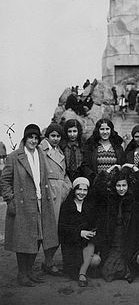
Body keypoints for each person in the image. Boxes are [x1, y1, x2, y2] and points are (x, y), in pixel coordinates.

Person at [0, 124, 58, 286]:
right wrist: (10, 199)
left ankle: (30, 270)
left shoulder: (40, 154)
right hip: (23, 204)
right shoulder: (14, 157)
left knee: (40, 237)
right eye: (30, 138)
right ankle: (22, 273)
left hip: (41, 202)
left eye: (36, 138)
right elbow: (4, 181)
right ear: (24, 139)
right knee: (23, 239)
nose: (33, 141)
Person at [93, 165, 139, 282]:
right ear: (114, 186)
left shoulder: (133, 198)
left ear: (128, 186)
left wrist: (132, 167)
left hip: (128, 237)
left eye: (124, 185)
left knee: (127, 265)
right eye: (118, 185)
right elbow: (97, 186)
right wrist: (110, 170)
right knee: (107, 272)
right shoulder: (110, 197)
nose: (121, 189)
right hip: (113, 238)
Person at [40, 123, 72, 275]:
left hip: (60, 193)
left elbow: (64, 173)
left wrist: (67, 187)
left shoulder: (59, 151)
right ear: (47, 136)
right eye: (53, 135)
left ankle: (49, 261)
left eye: (58, 136)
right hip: (47, 194)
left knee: (56, 229)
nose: (56, 139)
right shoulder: (40, 150)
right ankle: (45, 262)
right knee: (47, 230)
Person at [58, 177, 101, 287]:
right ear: (74, 190)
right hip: (71, 246)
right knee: (77, 267)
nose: (82, 193)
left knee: (96, 260)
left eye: (85, 190)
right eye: (79, 189)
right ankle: (82, 270)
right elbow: (62, 229)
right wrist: (79, 233)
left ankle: (82, 274)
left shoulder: (89, 205)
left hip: (86, 245)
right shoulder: (67, 206)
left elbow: (94, 224)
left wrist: (93, 232)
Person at [79, 118, 124, 184]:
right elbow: (85, 166)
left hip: (115, 184)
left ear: (111, 130)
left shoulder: (118, 147)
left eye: (107, 129)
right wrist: (95, 178)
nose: (105, 132)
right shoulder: (91, 146)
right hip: (97, 184)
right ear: (98, 130)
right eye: (102, 129)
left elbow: (122, 165)